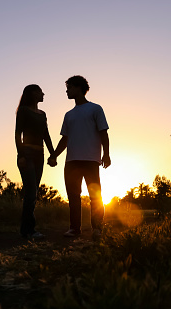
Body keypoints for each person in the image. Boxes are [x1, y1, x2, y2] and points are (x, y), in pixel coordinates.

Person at [48, 75, 110, 238]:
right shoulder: (69, 115)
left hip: (91, 160)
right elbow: (65, 138)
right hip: (71, 161)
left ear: (79, 88)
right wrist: (54, 155)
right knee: (73, 196)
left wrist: (107, 154)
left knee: (95, 195)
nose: (67, 91)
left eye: (69, 88)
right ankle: (75, 228)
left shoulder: (95, 109)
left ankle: (97, 228)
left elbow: (103, 132)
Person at [15, 84, 55, 239]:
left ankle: (26, 230)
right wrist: (21, 155)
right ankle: (28, 230)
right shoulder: (23, 111)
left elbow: (46, 135)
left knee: (34, 192)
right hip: (27, 154)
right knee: (31, 192)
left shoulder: (43, 114)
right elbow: (18, 134)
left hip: (40, 155)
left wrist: (53, 154)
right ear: (32, 94)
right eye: (40, 92)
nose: (43, 94)